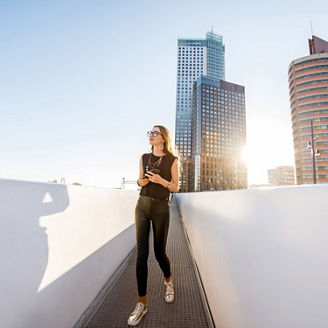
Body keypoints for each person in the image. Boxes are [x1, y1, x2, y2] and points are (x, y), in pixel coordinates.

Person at [127, 125, 180, 326]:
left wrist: (160, 180)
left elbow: (176, 186)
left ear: (163, 138)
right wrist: (141, 181)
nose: (151, 135)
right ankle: (142, 304)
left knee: (159, 252)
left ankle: (168, 281)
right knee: (142, 254)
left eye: (155, 133)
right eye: (149, 132)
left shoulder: (172, 160)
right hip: (142, 205)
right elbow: (139, 179)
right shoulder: (143, 157)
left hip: (160, 208)